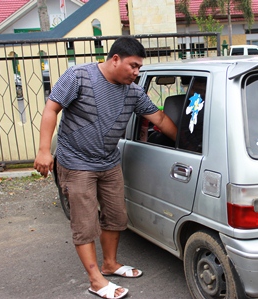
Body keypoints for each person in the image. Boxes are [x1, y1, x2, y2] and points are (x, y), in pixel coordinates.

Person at [33, 36, 177, 299]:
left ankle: (109, 264)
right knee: (85, 223)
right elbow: (51, 109)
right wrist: (44, 150)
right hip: (76, 163)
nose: (136, 73)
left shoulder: (132, 92)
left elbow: (159, 117)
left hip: (109, 162)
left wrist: (185, 142)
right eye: (133, 66)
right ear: (115, 59)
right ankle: (95, 280)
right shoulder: (78, 76)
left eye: (139, 68)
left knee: (115, 216)